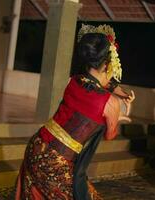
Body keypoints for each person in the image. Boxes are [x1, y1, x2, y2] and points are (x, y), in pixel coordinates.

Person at [14, 24, 134, 200]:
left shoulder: (75, 81)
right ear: (109, 64)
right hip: (56, 162)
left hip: (36, 147)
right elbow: (110, 134)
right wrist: (118, 116)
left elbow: (100, 83)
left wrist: (122, 95)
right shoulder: (110, 103)